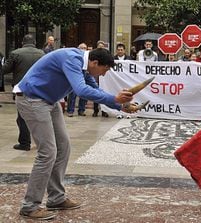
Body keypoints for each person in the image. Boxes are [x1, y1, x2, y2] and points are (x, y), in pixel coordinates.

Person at [14, 47, 139, 220]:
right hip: (32, 99)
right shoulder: (72, 59)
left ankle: (56, 198)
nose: (103, 75)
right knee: (47, 153)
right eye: (104, 70)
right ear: (95, 63)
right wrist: (115, 99)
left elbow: (94, 88)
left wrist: (120, 105)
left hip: (49, 101)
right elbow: (81, 91)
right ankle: (29, 206)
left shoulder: (84, 65)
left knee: (63, 147)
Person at [2, 34, 45, 151]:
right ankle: (41, 140)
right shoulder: (41, 53)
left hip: (21, 89)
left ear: (22, 42)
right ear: (35, 42)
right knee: (38, 115)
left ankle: (25, 143)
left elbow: (5, 69)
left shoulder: (15, 53)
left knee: (22, 117)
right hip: (38, 88)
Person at [66, 43, 88, 117]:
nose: (83, 49)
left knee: (84, 92)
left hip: (84, 72)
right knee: (73, 93)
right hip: (76, 73)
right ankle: (70, 110)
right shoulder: (74, 56)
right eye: (82, 48)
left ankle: (81, 110)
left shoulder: (87, 56)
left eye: (85, 48)